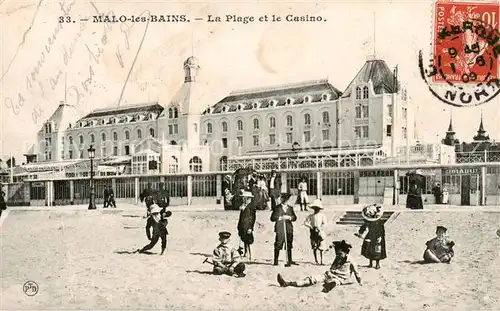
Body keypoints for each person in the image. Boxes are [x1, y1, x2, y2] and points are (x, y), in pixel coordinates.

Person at [276, 240, 362, 293]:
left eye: (340, 254)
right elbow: (332, 268)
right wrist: (330, 272)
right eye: (337, 254)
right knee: (312, 278)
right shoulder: (337, 258)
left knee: (334, 282)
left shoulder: (351, 261)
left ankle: (326, 289)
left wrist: (360, 282)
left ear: (346, 252)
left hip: (340, 279)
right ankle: (287, 283)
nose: (338, 255)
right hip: (330, 275)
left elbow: (357, 272)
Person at [355, 204, 387, 269]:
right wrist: (360, 233)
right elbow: (364, 226)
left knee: (377, 250)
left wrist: (380, 237)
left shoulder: (379, 221)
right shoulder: (368, 221)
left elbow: (382, 230)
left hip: (378, 236)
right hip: (370, 235)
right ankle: (370, 263)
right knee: (369, 249)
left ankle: (377, 264)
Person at [270, 192, 298, 267]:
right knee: (278, 244)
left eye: (287, 199)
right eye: (284, 199)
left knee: (289, 244)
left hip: (289, 229)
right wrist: (280, 218)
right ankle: (276, 261)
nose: (285, 200)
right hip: (280, 228)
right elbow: (272, 218)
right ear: (281, 199)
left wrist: (289, 217)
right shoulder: (277, 208)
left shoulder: (290, 208)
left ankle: (289, 260)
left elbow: (295, 218)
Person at [303, 199, 328, 265]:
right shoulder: (311, 216)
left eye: (317, 208)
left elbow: (325, 224)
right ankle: (316, 260)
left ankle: (322, 260)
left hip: (320, 232)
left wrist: (320, 228)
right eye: (315, 208)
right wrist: (311, 226)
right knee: (314, 247)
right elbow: (305, 222)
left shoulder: (322, 216)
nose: (316, 209)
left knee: (321, 247)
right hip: (313, 232)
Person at [237, 191, 257, 260]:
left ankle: (250, 254)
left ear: (248, 198)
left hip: (248, 226)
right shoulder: (243, 206)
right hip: (242, 226)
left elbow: (253, 218)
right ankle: (245, 253)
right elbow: (241, 217)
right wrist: (239, 226)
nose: (243, 199)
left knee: (249, 241)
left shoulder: (252, 207)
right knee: (244, 240)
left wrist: (250, 228)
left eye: (244, 198)